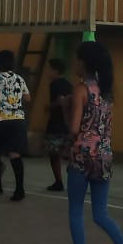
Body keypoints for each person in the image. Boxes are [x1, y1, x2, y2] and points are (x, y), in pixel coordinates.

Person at [63, 41, 123, 244]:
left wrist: (66, 109)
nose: (75, 63)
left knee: (76, 210)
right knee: (100, 213)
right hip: (104, 155)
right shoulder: (106, 92)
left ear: (84, 62)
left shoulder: (80, 90)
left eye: (77, 59)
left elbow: (74, 128)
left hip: (82, 155)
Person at [0, 50, 31, 201]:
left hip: (0, 119)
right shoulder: (20, 79)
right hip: (17, 120)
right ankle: (19, 190)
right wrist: (15, 103)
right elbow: (27, 98)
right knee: (15, 154)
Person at [43, 58, 74, 192]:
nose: (48, 72)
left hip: (56, 123)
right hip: (68, 124)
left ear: (55, 70)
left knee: (54, 153)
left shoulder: (54, 84)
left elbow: (62, 102)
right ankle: (73, 176)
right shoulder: (69, 84)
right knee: (67, 151)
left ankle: (58, 181)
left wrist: (49, 107)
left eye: (49, 69)